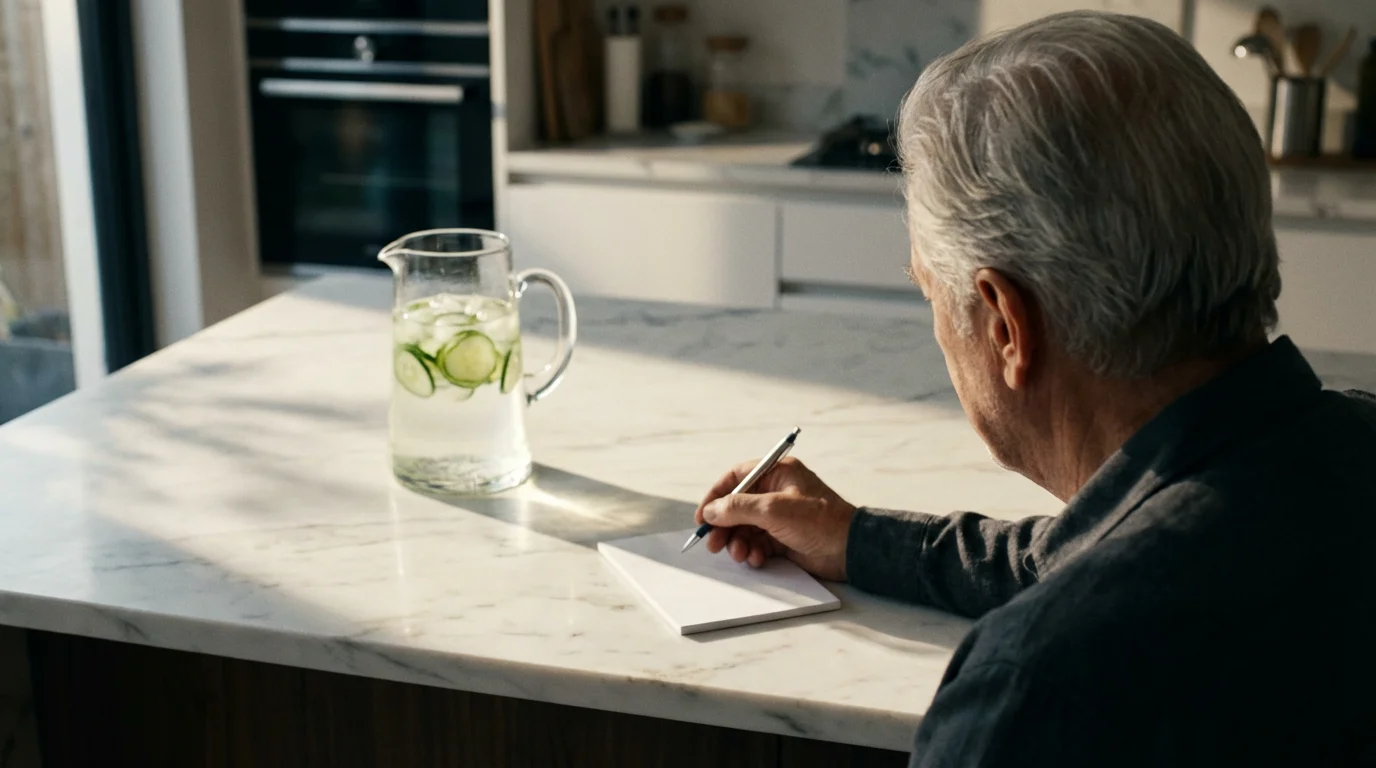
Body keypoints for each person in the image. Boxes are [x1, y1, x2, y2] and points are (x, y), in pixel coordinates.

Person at [695, 11, 1376, 767]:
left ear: (1007, 325)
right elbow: (1110, 547)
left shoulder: (1038, 691)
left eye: (929, 293)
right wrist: (858, 539)